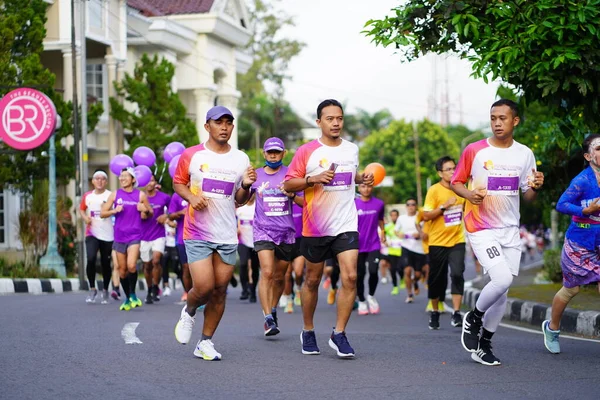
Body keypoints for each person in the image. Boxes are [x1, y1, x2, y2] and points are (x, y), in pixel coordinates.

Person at [451, 99, 544, 366]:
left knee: (502, 292)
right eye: (493, 118)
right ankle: (474, 317)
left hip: (510, 228)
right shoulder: (475, 150)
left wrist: (535, 186)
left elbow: (528, 196)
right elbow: (457, 181)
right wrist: (470, 194)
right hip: (481, 226)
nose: (497, 123)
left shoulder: (525, 154)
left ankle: (484, 345)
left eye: (503, 118)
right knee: (501, 279)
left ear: (515, 121)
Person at [283, 99, 374, 358]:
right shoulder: (307, 151)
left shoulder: (352, 149)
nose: (336, 123)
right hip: (316, 226)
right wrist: (313, 179)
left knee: (351, 277)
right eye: (330, 119)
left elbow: (350, 174)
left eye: (340, 118)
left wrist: (361, 178)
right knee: (312, 279)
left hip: (346, 223)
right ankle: (308, 330)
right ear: (319, 122)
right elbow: (289, 185)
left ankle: (339, 333)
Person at [172, 105, 256, 361]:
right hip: (197, 231)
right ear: (207, 126)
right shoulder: (192, 155)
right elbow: (178, 182)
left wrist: (245, 185)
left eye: (229, 123)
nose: (224, 127)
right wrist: (191, 197)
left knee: (220, 290)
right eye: (219, 122)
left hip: (227, 234)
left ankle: (205, 342)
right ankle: (189, 310)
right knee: (205, 286)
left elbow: (240, 200)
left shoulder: (241, 159)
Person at [543, 134, 600, 354]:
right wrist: (584, 211)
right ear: (588, 156)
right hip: (580, 244)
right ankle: (552, 328)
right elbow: (562, 204)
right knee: (571, 289)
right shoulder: (582, 181)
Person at [252, 137, 303, 336]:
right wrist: (245, 185)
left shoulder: (292, 175)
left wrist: (291, 195)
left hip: (286, 232)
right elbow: (241, 200)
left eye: (277, 152)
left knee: (280, 277)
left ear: (283, 154)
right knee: (267, 272)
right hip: (263, 230)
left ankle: (273, 309)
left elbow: (303, 202)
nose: (273, 155)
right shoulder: (255, 175)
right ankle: (267, 318)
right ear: (264, 154)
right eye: (269, 152)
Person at [422, 156, 466, 329]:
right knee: (436, 280)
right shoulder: (434, 190)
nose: (453, 171)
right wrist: (444, 207)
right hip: (437, 242)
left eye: (454, 168)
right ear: (440, 173)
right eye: (448, 169)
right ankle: (434, 311)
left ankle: (456, 313)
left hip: (457, 240)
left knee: (457, 274)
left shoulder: (461, 189)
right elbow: (426, 215)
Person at [101, 168, 152, 311]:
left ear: (133, 179)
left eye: (125, 176)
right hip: (119, 237)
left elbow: (150, 213)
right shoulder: (115, 194)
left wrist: (145, 210)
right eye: (120, 176)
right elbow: (103, 213)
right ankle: (128, 297)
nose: (122, 178)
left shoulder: (140, 195)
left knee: (131, 266)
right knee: (122, 270)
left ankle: (134, 294)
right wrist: (114, 211)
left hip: (135, 236)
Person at [80, 170, 114, 304]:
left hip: (107, 233)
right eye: (97, 178)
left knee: (106, 263)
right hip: (91, 233)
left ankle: (105, 289)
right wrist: (85, 218)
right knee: (91, 258)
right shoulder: (88, 196)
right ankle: (92, 288)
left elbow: (116, 211)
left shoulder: (111, 195)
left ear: (106, 182)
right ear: (92, 181)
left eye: (102, 179)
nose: (100, 181)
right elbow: (82, 209)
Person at [355, 183, 386, 315]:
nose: (365, 189)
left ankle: (371, 296)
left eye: (368, 186)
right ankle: (361, 301)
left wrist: (383, 232)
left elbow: (380, 219)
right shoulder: (353, 204)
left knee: (373, 271)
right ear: (358, 188)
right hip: (357, 244)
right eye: (362, 186)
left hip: (373, 243)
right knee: (359, 275)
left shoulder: (379, 204)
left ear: (372, 188)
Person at [140, 174, 171, 304]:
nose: (149, 183)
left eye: (152, 180)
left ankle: (156, 287)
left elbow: (172, 208)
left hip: (159, 234)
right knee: (147, 265)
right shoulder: (140, 197)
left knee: (156, 261)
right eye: (147, 181)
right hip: (143, 235)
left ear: (155, 182)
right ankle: (149, 289)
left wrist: (166, 215)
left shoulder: (164, 197)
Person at [395, 198, 427, 303]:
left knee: (418, 274)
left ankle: (414, 282)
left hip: (419, 249)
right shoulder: (401, 218)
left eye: (413, 204)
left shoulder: (421, 216)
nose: (411, 206)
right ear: (406, 206)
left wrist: (420, 234)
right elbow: (396, 230)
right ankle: (409, 294)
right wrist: (399, 234)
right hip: (406, 247)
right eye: (408, 205)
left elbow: (426, 230)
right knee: (407, 270)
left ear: (416, 206)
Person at [167, 192, 193, 301]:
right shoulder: (177, 195)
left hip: (201, 238)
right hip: (182, 238)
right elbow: (170, 216)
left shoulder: (201, 191)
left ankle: (200, 295)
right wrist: (181, 213)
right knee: (186, 268)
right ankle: (188, 294)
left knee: (198, 269)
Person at [236, 195, 258, 303]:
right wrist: (236, 229)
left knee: (254, 266)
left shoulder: (258, 207)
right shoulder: (240, 208)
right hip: (242, 241)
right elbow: (235, 221)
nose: (250, 196)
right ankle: (245, 290)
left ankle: (253, 291)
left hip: (256, 241)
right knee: (243, 264)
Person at [385, 209, 404, 295]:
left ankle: (402, 278)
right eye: (392, 215)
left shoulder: (402, 226)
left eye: (395, 215)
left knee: (400, 268)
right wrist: (385, 242)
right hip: (392, 251)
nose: (393, 217)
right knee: (392, 269)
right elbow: (383, 236)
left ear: (398, 216)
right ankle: (395, 287)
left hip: (402, 251)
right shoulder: (387, 227)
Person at [161, 218, 179, 297]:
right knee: (164, 266)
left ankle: (179, 278)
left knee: (175, 266)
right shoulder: (163, 215)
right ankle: (166, 286)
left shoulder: (176, 216)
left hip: (175, 244)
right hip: (165, 244)